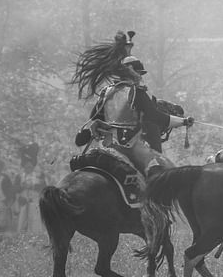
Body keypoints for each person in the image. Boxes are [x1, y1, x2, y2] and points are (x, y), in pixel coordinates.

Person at [71, 30, 194, 177]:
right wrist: (184, 121)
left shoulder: (106, 92)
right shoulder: (137, 92)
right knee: (157, 171)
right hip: (130, 146)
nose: (140, 77)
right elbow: (155, 116)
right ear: (131, 72)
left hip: (107, 145)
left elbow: (94, 118)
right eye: (139, 74)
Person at [13, 143, 47, 234]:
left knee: (35, 215)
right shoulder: (19, 176)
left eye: (30, 166)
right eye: (26, 165)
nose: (28, 167)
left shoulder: (39, 175)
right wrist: (21, 186)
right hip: (23, 197)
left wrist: (33, 186)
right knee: (22, 216)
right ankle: (21, 233)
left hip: (35, 197)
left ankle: (36, 233)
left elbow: (44, 187)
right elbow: (15, 188)